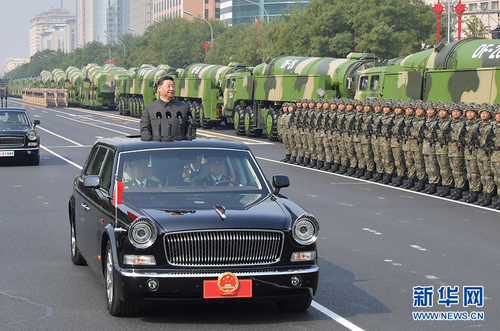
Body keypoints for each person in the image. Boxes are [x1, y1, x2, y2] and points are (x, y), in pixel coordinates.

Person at [140, 76, 188, 141]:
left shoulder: (183, 108)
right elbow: (144, 129)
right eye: (168, 86)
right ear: (159, 88)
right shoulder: (150, 108)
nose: (171, 89)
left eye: (173, 86)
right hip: (158, 148)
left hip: (178, 147)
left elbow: (189, 130)